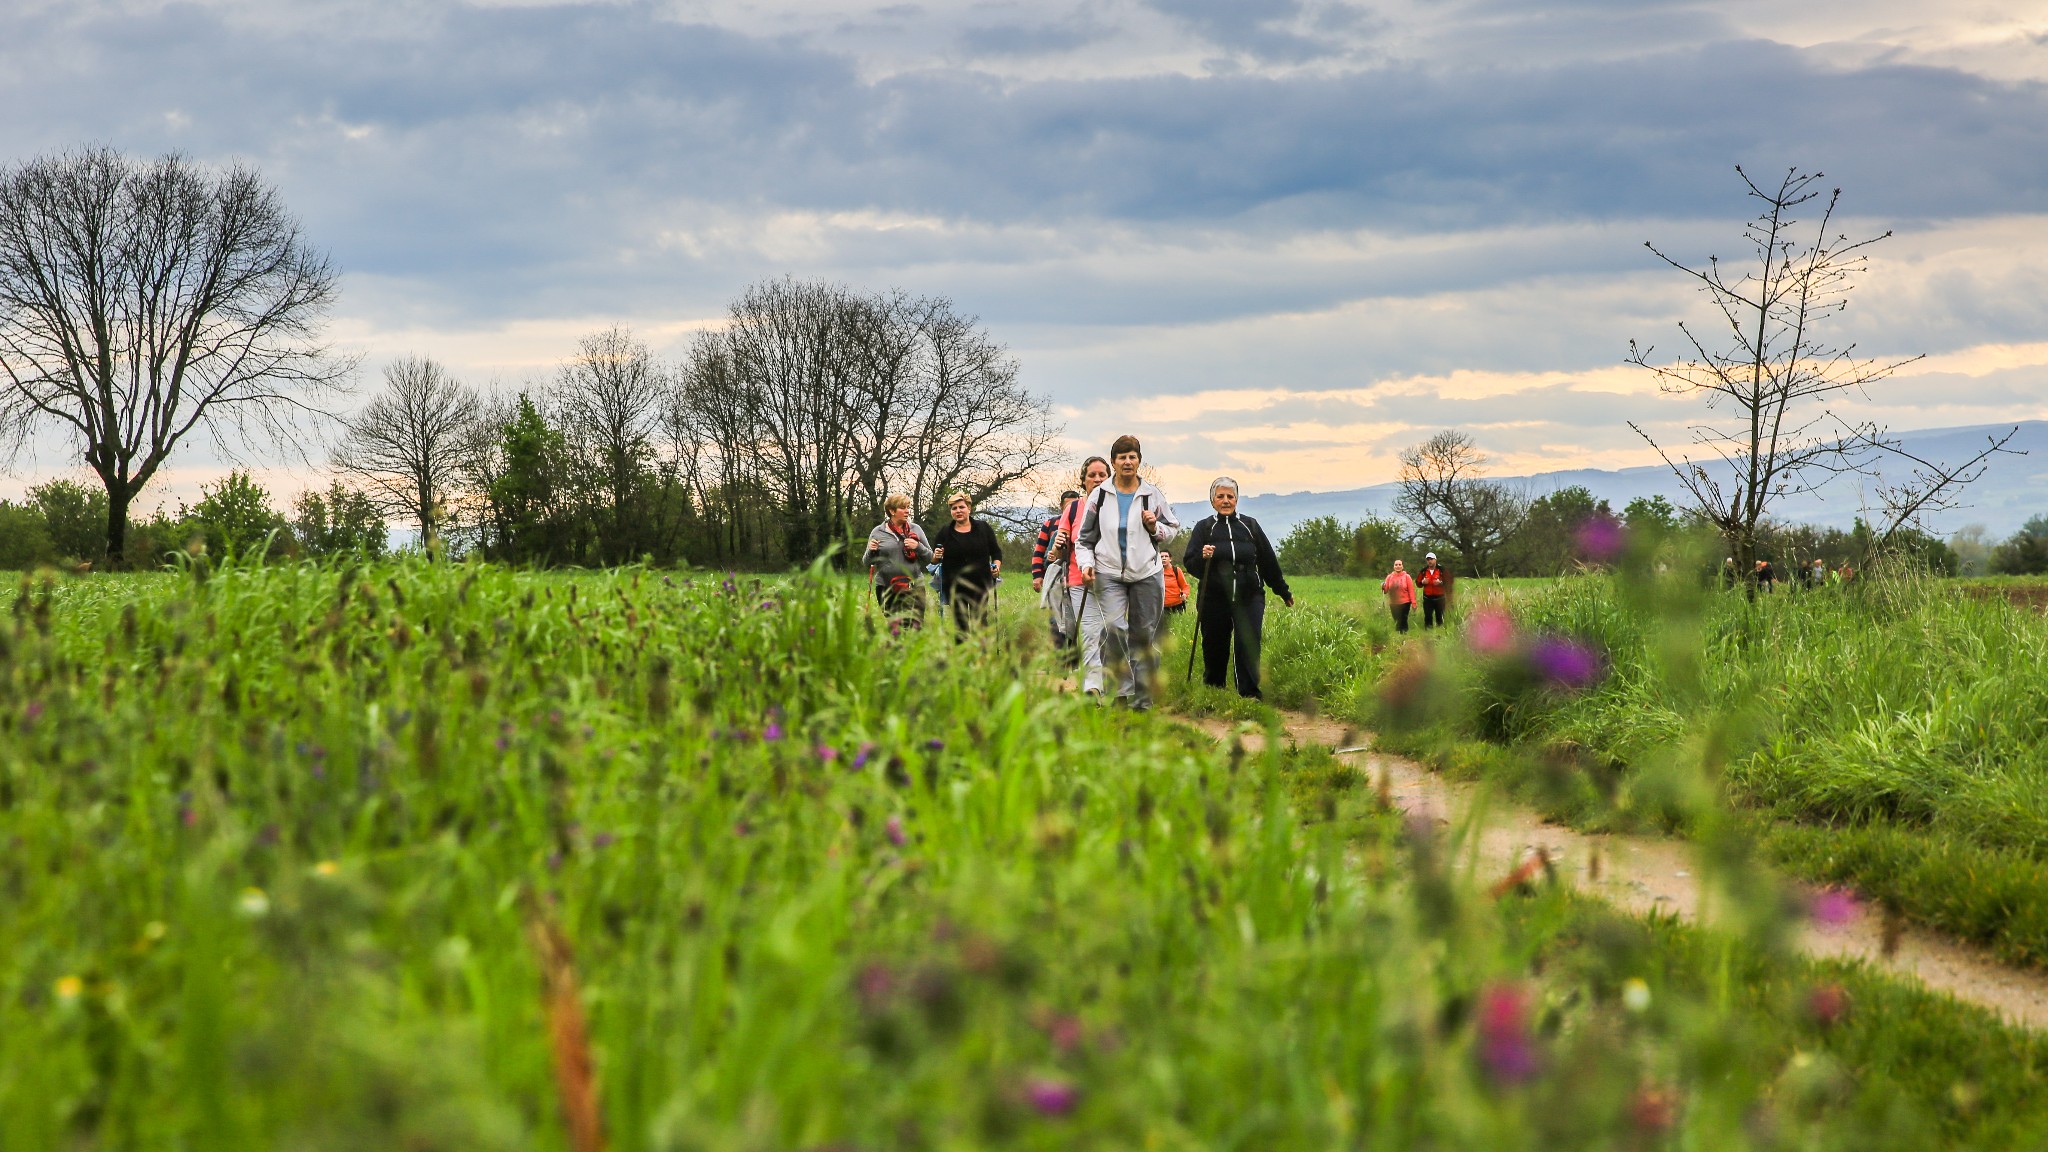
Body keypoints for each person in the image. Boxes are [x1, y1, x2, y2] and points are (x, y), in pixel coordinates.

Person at [1076, 435, 1180, 709]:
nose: (1127, 461)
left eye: (1132, 456)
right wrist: (1086, 565)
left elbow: (1171, 529)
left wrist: (1153, 526)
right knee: (1114, 629)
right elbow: (1084, 539)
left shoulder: (1151, 494)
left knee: (1143, 637)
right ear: (1113, 462)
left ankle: (1144, 701)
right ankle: (1119, 694)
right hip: (1108, 573)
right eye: (1121, 457)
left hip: (1146, 573)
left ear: (1139, 461)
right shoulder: (1099, 496)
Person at [1183, 476, 1293, 699]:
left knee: (1248, 642)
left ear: (1237, 500)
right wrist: (1204, 558)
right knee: (1214, 643)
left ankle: (1249, 693)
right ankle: (1215, 689)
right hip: (1214, 595)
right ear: (1212, 500)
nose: (1225, 501)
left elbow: (1268, 561)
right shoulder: (1204, 528)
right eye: (1220, 496)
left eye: (1230, 496)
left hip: (1249, 593)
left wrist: (1282, 591)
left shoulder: (1249, 525)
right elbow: (1191, 564)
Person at [1054, 457, 1111, 690]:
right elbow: (1058, 553)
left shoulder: (1118, 506)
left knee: (1110, 634)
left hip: (1114, 581)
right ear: (1083, 480)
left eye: (1102, 475)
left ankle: (1111, 684)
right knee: (1089, 633)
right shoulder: (1074, 508)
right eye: (1092, 475)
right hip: (1080, 580)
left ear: (1110, 478)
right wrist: (1058, 544)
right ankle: (1092, 687)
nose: (1097, 479)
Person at [933, 491, 1003, 638]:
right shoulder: (945, 532)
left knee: (980, 623)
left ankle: (982, 658)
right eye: (954, 508)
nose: (958, 511)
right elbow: (934, 560)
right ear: (951, 511)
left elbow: (996, 553)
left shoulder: (983, 528)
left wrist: (996, 567)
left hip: (980, 584)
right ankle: (963, 659)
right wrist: (936, 556)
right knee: (960, 625)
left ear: (969, 508)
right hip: (955, 586)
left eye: (961, 507)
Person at [862, 494, 932, 623]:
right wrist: (871, 551)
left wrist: (918, 546)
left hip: (914, 585)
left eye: (908, 507)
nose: (907, 511)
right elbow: (866, 562)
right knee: (896, 629)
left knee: (915, 627)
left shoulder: (916, 529)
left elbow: (931, 558)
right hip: (886, 587)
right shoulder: (877, 532)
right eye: (903, 508)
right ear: (892, 511)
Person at [1033, 489, 1084, 647]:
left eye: (1074, 505)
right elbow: (1040, 550)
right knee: (1055, 619)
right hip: (1055, 577)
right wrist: (1037, 575)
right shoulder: (1050, 524)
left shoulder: (1083, 522)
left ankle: (1074, 659)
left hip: (1076, 577)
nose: (1070, 508)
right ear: (1062, 506)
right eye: (1067, 505)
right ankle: (1059, 659)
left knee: (1074, 620)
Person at [1381, 558, 1417, 634]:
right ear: (1394, 566)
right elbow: (1386, 590)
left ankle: (1404, 634)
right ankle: (1398, 635)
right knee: (1396, 619)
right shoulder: (1389, 577)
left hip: (1405, 602)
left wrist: (1413, 603)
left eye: (1399, 564)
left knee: (1403, 619)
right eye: (1396, 565)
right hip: (1393, 603)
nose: (1398, 566)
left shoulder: (1407, 577)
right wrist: (1383, 587)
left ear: (1402, 566)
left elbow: (1411, 590)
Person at [1417, 551, 1449, 629]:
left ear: (1435, 560)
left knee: (1440, 617)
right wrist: (1422, 582)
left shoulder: (1442, 570)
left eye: (1431, 559)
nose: (1429, 561)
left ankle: (1440, 632)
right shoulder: (1424, 571)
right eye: (1428, 559)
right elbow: (1418, 583)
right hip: (1427, 598)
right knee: (1428, 617)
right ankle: (1428, 633)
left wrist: (1440, 583)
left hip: (1440, 598)